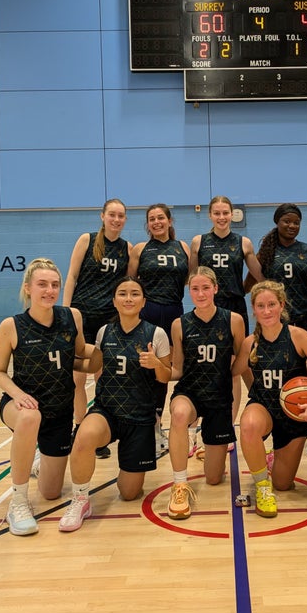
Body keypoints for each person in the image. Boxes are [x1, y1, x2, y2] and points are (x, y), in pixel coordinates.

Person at [58, 277, 171, 533]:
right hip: (107, 410)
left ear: (143, 301)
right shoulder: (104, 332)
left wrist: (156, 364)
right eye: (123, 293)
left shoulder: (156, 333)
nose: (128, 298)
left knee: (129, 493)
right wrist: (64, 362)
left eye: (134, 294)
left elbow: (166, 377)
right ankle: (80, 500)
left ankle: (128, 466)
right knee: (83, 436)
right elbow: (94, 366)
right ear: (114, 301)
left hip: (140, 417)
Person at [0, 258, 89, 536]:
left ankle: (34, 461)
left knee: (50, 492)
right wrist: (18, 394)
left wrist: (107, 352)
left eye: (55, 285)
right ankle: (18, 502)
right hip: (21, 405)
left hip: (59, 411)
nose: (50, 290)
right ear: (28, 288)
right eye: (42, 284)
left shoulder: (72, 317)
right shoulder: (11, 325)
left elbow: (80, 355)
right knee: (29, 417)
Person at [232, 281, 307, 519]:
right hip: (264, 407)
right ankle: (262, 487)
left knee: (282, 483)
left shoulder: (298, 336)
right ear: (254, 310)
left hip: (294, 415)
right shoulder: (250, 343)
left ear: (281, 305)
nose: (267, 311)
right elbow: (235, 370)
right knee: (248, 425)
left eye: (272, 304)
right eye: (261, 306)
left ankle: (271, 458)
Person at [245, 203, 307, 459]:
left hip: (305, 319)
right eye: (287, 221)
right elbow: (249, 284)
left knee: (306, 372)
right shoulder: (266, 253)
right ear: (277, 222)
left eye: (296, 222)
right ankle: (271, 414)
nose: (292, 226)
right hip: (274, 322)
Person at [166, 267, 245, 520]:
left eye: (206, 288)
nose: (200, 294)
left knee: (213, 478)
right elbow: (178, 369)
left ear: (215, 289)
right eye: (195, 289)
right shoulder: (179, 324)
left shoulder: (234, 320)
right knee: (179, 414)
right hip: (189, 392)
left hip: (219, 398)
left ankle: (208, 450)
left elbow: (239, 365)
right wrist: (156, 368)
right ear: (189, 291)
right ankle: (179, 484)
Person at [63, 198, 132, 458]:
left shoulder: (126, 249)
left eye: (121, 216)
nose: (116, 219)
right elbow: (72, 276)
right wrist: (65, 313)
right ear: (102, 216)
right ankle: (79, 426)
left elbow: (127, 286)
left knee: (103, 378)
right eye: (112, 214)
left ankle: (99, 428)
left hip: (108, 321)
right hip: (81, 318)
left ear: (125, 219)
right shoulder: (87, 240)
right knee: (77, 378)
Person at [190, 195, 264, 438]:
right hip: (208, 308)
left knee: (237, 363)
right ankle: (199, 421)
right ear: (210, 215)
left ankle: (232, 422)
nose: (221, 217)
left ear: (232, 214)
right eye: (217, 213)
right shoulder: (199, 242)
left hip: (234, 307)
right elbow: (192, 277)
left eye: (225, 213)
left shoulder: (243, 243)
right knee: (208, 363)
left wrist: (246, 291)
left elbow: (260, 276)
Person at [129, 203, 190, 455]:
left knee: (165, 371)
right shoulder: (140, 249)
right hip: (149, 312)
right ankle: (144, 424)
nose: (157, 222)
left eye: (161, 218)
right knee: (145, 369)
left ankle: (158, 425)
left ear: (169, 220)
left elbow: (188, 278)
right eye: (152, 219)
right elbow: (130, 283)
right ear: (148, 224)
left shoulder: (183, 247)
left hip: (174, 312)